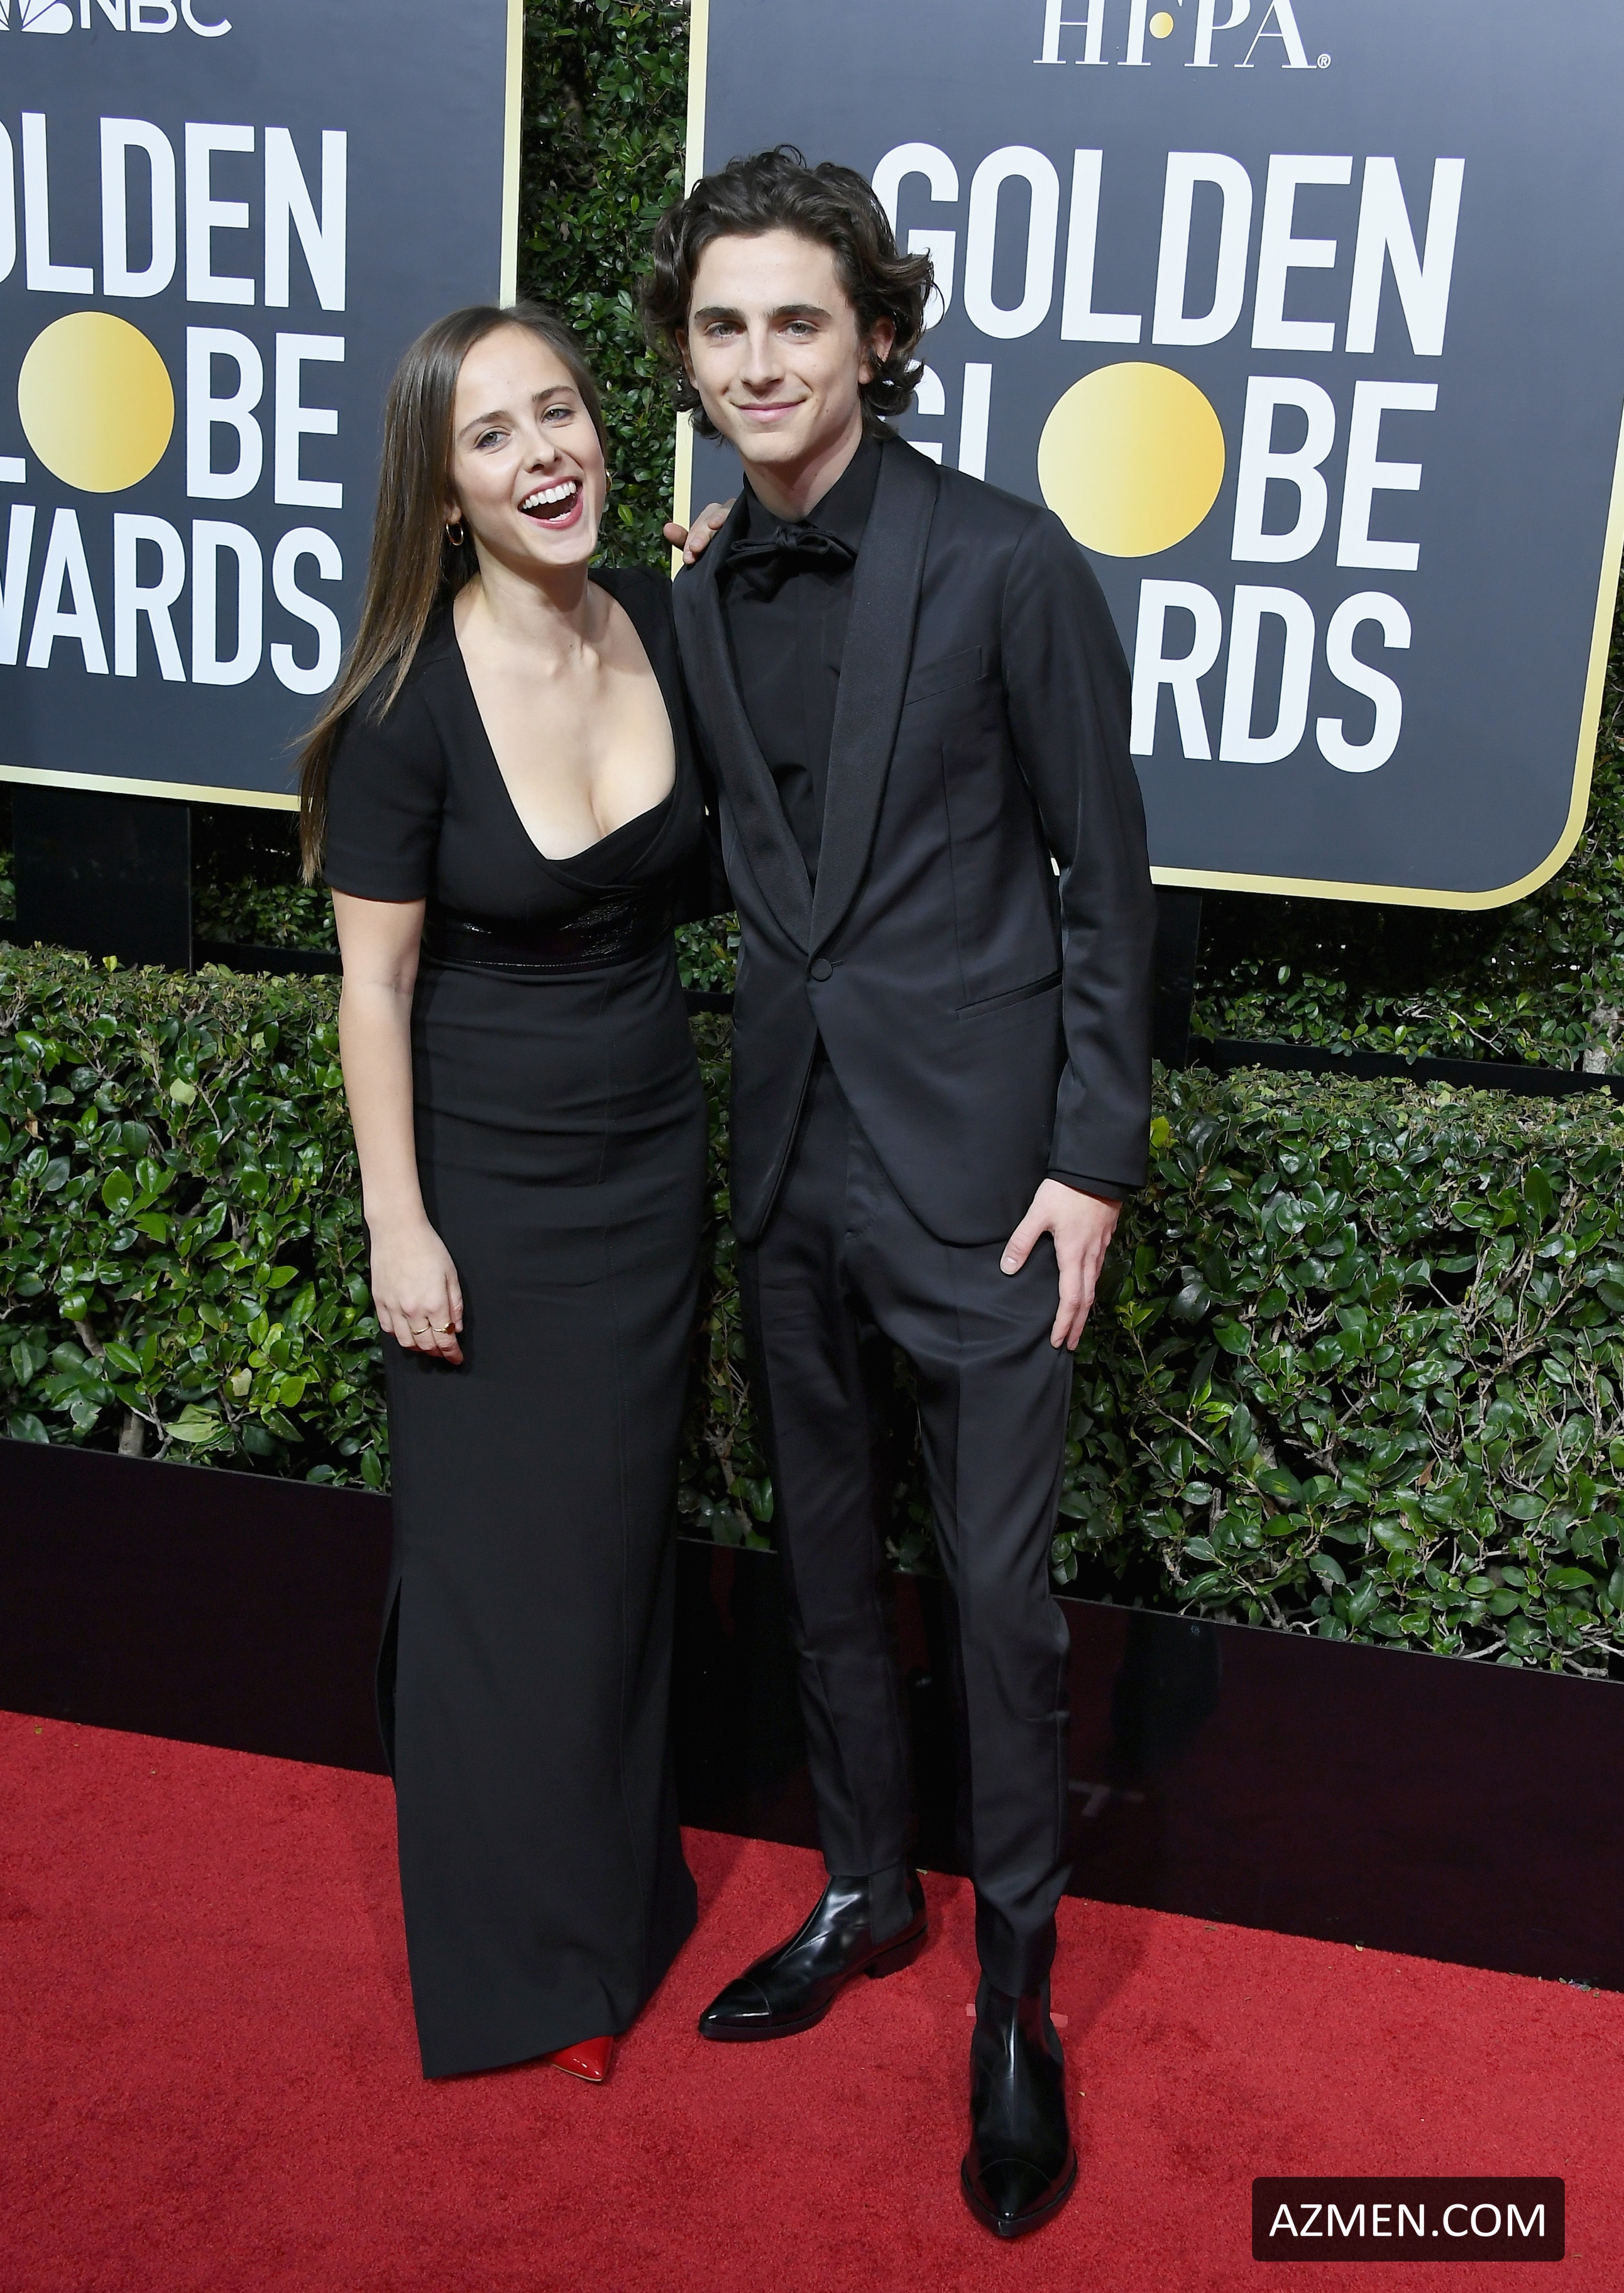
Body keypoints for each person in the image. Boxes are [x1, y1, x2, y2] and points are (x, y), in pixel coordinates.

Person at [642, 150, 1157, 2237]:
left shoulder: (1011, 561)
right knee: (825, 1563)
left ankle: (1016, 2000)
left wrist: (1092, 1156)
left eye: (797, 319)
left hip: (987, 1179)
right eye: (722, 325)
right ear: (686, 357)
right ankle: (865, 1890)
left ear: (875, 334)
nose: (759, 359)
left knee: (1004, 1606)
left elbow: (1109, 881)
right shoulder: (695, 592)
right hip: (788, 1154)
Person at [297, 302, 728, 2087]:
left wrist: (751, 576)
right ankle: (520, 1968)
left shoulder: (670, 627)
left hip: (650, 1153)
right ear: (442, 488)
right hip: (485, 1176)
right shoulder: (405, 707)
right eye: (493, 434)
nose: (544, 453)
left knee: (614, 1554)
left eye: (560, 412)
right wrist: (398, 1223)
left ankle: (614, 1907)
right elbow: (374, 986)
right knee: (497, 1576)